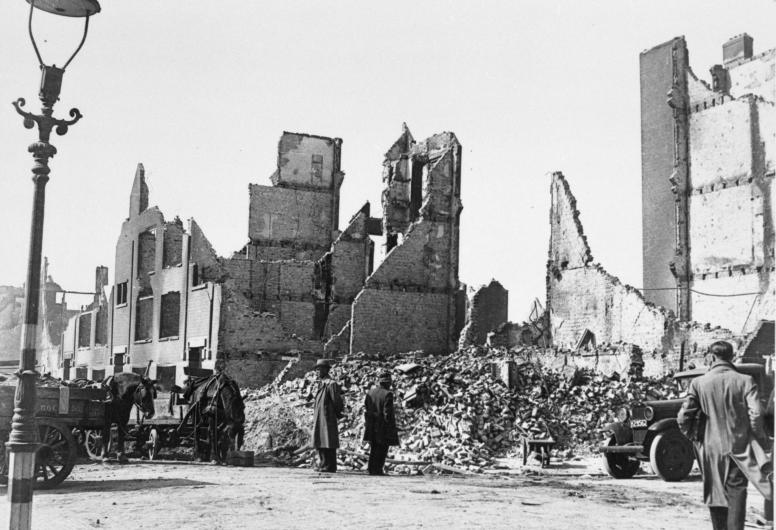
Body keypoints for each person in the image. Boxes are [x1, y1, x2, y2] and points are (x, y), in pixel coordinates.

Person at [678, 341, 771, 530]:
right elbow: (756, 413)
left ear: (712, 357)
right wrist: (756, 438)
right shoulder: (745, 380)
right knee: (737, 491)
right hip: (740, 446)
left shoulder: (698, 383)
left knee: (715, 492)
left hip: (711, 447)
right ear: (731, 357)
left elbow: (683, 416)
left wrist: (694, 437)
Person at [363, 370, 400, 475]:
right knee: (382, 448)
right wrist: (391, 427)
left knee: (374, 448)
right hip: (382, 426)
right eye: (390, 383)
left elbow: (366, 408)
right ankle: (378, 469)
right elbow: (387, 413)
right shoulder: (388, 394)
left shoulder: (370, 392)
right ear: (387, 383)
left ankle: (371, 469)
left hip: (371, 425)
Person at [312, 359, 344, 472]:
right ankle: (322, 464)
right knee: (320, 440)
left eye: (319, 369)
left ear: (326, 370)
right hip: (320, 417)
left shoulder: (331, 384)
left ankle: (329, 466)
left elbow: (336, 401)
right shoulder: (321, 384)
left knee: (328, 441)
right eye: (316, 370)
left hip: (327, 417)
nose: (317, 372)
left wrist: (339, 414)